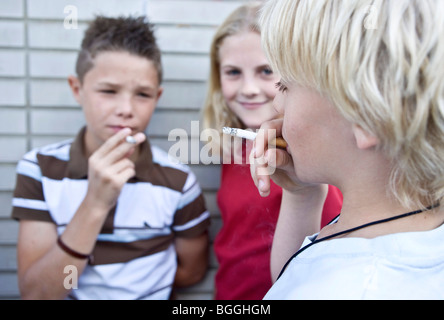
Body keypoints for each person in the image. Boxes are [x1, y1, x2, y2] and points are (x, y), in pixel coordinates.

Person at [251, 0, 444, 299]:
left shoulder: (360, 287)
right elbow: (294, 277)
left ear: (367, 116)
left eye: (285, 86)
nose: (277, 105)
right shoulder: (396, 231)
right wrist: (302, 195)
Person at [11, 16, 210, 300]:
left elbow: (190, 271)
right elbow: (38, 294)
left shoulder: (178, 181)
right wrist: (95, 202)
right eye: (108, 91)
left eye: (142, 94)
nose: (126, 109)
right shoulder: (40, 170)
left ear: (158, 97)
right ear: (77, 89)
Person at [202, 2, 342, 300]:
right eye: (233, 72)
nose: (249, 88)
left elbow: (321, 261)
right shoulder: (237, 145)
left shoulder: (306, 157)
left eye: (266, 71)